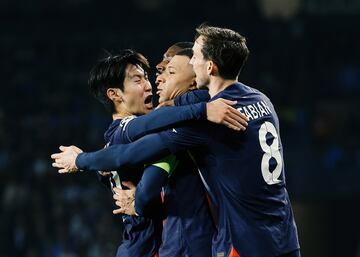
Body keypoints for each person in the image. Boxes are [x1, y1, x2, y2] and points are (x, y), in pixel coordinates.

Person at [52, 24, 300, 257]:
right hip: (285, 235)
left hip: (237, 241)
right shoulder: (262, 99)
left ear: (209, 67)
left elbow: (129, 159)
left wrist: (82, 160)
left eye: (194, 58)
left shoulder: (202, 122)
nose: (155, 80)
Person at [114, 47, 216, 257]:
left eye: (169, 69)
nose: (158, 74)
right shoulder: (133, 129)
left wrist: (140, 202)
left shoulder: (179, 127)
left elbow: (146, 193)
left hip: (181, 245)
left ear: (194, 78)